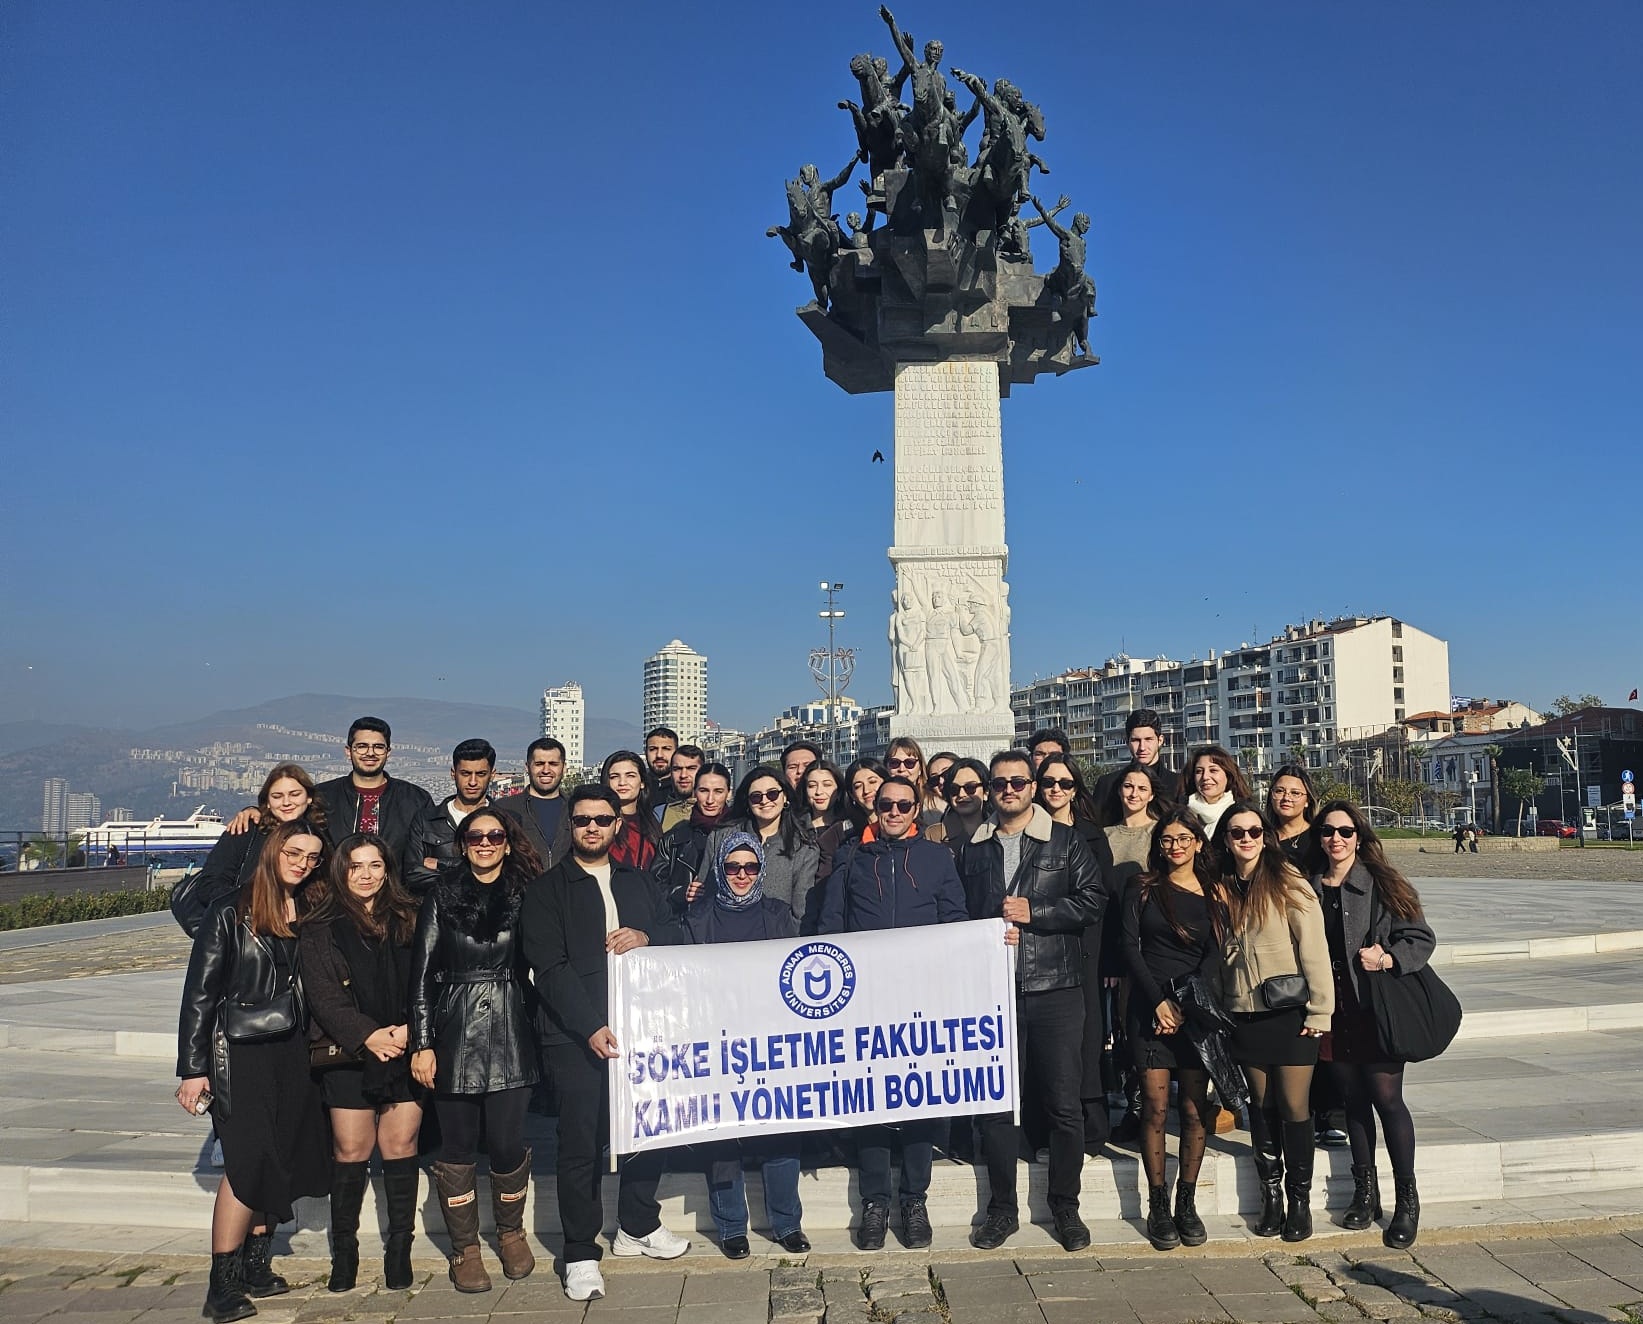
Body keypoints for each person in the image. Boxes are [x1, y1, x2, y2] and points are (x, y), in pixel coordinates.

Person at [520, 785, 690, 1303]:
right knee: (580, 1144)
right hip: (575, 1038)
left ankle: (637, 1224)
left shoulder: (638, 881)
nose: (592, 827)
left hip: (643, 1031)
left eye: (601, 819)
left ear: (618, 825)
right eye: (582, 820)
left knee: (648, 1130)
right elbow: (548, 968)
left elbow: (676, 934)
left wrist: (646, 937)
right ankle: (579, 1252)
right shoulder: (546, 890)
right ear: (570, 826)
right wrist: (590, 1025)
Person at [177, 821, 331, 1323]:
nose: (303, 863)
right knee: (246, 1164)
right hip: (239, 1053)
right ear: (272, 851)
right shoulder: (230, 910)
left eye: (312, 857)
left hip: (293, 1052)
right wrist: (193, 1070)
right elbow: (199, 994)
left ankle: (256, 1267)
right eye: (294, 853)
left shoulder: (308, 907)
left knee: (278, 1156)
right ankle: (221, 1285)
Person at [958, 751, 1104, 1253]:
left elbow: (1093, 900)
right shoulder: (973, 848)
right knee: (998, 1106)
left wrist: (1035, 912)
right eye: (999, 782)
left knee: (1064, 1105)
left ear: (1033, 786)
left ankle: (1065, 1206)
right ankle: (1002, 1210)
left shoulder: (1065, 840)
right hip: (995, 991)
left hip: (1055, 987)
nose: (1008, 789)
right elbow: (962, 914)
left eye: (1018, 781)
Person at [819, 775, 969, 1251]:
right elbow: (832, 925)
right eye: (887, 805)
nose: (895, 812)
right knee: (872, 1102)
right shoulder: (851, 858)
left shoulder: (936, 858)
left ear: (916, 809)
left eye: (904, 805)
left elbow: (955, 920)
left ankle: (914, 1200)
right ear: (876, 808)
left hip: (922, 999)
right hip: (866, 1000)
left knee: (918, 1099)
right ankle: (875, 1202)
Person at [408, 808, 542, 1293]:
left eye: (495, 836)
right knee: (458, 1146)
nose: (485, 843)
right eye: (475, 836)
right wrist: (422, 1043)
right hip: (455, 1029)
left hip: (511, 1027)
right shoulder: (440, 895)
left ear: (507, 842)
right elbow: (421, 975)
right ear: (462, 845)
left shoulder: (526, 894)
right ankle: (465, 1248)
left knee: (506, 1143)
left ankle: (511, 1233)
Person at [1309, 800, 1437, 1250]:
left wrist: (1387, 958)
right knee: (1352, 1102)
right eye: (1328, 831)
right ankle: (1365, 1192)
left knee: (1387, 1100)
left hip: (1374, 1009)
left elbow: (1420, 937)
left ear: (1359, 837)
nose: (1336, 839)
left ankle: (1407, 1200)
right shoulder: (1309, 886)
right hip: (1332, 1011)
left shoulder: (1382, 882)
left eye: (1345, 831)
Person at [300, 834, 424, 1291]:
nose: (367, 875)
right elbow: (323, 996)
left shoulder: (412, 918)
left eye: (375, 865)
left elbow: (430, 979)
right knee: (351, 1148)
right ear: (341, 871)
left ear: (388, 870)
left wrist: (411, 1030)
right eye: (356, 866)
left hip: (404, 1045)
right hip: (349, 1052)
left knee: (400, 1144)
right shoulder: (320, 926)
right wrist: (367, 1035)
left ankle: (400, 1250)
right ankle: (345, 1253)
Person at [682, 831, 809, 1258]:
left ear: (761, 870)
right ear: (720, 870)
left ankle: (787, 1223)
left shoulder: (777, 914)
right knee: (721, 1137)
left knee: (780, 1132)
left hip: (769, 1038)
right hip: (716, 1039)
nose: (741, 875)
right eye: (732, 867)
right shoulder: (698, 917)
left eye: (750, 867)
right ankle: (731, 1226)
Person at [1211, 804, 1333, 1242]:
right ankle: (1272, 1194)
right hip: (1245, 1014)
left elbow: (1313, 946)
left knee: (1294, 1106)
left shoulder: (1287, 880)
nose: (1246, 839)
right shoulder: (1221, 887)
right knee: (1261, 1106)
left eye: (1254, 831)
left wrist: (1321, 1010)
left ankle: (1300, 1200)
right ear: (1226, 840)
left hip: (1290, 1012)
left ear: (1265, 836)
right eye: (1237, 832)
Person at [1123, 810, 1229, 1251]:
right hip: (1149, 1008)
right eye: (1167, 840)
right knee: (1155, 1107)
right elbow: (1130, 947)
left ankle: (1187, 1201)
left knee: (1193, 1108)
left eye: (1184, 838)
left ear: (1199, 843)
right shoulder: (1143, 887)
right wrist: (1158, 1001)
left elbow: (1215, 954)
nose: (1176, 847)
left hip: (1194, 1012)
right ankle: (1158, 1203)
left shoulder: (1215, 892)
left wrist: (1185, 1003)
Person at [1036, 752, 1120, 1154]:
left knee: (1088, 1036)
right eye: (1049, 782)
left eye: (1065, 783)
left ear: (1075, 789)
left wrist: (1111, 959)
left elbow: (1106, 899)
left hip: (1089, 949)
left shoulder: (1092, 835)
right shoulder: (1028, 833)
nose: (1056, 789)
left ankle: (1092, 1122)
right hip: (1042, 950)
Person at [176, 765, 331, 938]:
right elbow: (209, 884)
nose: (286, 802)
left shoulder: (319, 836)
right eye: (277, 796)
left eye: (294, 794)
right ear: (268, 802)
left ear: (309, 798)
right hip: (247, 931)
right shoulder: (246, 830)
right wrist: (252, 904)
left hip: (301, 932)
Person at [1101, 763, 1169, 1145]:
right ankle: (1132, 1105)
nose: (1133, 793)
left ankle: (1150, 1107)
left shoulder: (1159, 833)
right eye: (1128, 786)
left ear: (1151, 793)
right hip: (1114, 941)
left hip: (1150, 943)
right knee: (1122, 1030)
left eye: (1141, 787)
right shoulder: (1105, 835)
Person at [704, 766, 820, 928]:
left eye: (772, 794)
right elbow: (704, 892)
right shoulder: (722, 836)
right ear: (747, 801)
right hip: (721, 932)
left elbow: (801, 912)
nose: (765, 801)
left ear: (785, 796)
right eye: (756, 796)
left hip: (777, 936)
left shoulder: (803, 848)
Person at [317, 718, 434, 864]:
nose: (370, 753)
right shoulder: (323, 796)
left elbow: (428, 854)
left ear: (388, 752)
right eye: (362, 746)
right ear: (348, 751)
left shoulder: (416, 800)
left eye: (378, 747)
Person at [404, 740, 496, 896]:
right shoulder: (426, 820)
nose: (473, 782)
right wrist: (480, 873)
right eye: (465, 774)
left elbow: (511, 871)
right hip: (437, 908)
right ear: (453, 773)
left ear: (492, 775)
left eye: (481, 774)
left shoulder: (507, 821)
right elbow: (413, 875)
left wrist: (441, 863)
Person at [652, 761, 733, 913]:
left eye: (718, 791)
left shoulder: (742, 835)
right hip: (684, 920)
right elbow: (655, 887)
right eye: (703, 790)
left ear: (729, 793)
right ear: (695, 792)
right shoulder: (673, 839)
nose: (710, 800)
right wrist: (680, 893)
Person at [494, 738, 568, 869]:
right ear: (527, 767)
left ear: (564, 767)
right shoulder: (504, 808)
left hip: (567, 882)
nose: (546, 770)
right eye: (539, 764)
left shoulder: (576, 809)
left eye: (553, 764)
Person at [1093, 710, 1177, 826]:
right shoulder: (1107, 784)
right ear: (1127, 741)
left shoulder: (1178, 784)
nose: (1142, 747)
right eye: (1136, 740)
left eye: (1148, 739)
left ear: (1160, 740)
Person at [601, 749, 659, 870]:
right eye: (614, 777)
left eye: (630, 776)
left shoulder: (653, 823)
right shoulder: (600, 823)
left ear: (642, 782)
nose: (622, 782)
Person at [1181, 745, 1252, 835]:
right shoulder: (1182, 813)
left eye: (1213, 770)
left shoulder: (1243, 813)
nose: (1205, 777)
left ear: (1228, 775)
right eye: (1199, 771)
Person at [1266, 765, 1318, 868]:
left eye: (1295, 793)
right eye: (1279, 791)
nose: (1286, 798)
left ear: (1307, 801)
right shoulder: (1262, 839)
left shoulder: (1320, 837)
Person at [884, 736, 942, 827]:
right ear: (886, 767)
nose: (901, 769)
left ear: (920, 769)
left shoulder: (936, 806)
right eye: (894, 763)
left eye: (909, 763)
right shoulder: (878, 803)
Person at [936, 756, 990, 850]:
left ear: (986, 792)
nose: (961, 795)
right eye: (954, 789)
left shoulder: (1001, 830)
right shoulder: (935, 835)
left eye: (970, 787)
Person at [656, 745, 704, 833]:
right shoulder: (657, 815)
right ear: (670, 772)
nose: (683, 775)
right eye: (677, 769)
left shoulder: (715, 812)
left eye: (691, 768)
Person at [802, 759, 849, 834]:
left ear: (839, 791)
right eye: (812, 785)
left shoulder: (849, 828)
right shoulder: (794, 828)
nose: (818, 792)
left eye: (827, 785)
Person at [643, 727, 679, 799]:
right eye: (653, 749)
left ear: (676, 752)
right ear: (646, 752)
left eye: (666, 749)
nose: (659, 755)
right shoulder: (636, 787)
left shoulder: (686, 788)